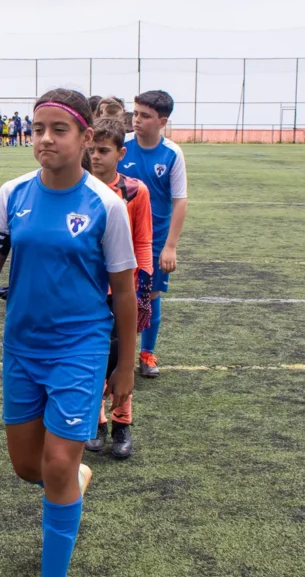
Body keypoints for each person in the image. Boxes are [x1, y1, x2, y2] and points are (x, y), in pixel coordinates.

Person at [0, 89, 137, 577]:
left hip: (81, 347)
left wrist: (123, 368)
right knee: (26, 466)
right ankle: (70, 481)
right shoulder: (13, 194)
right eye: (38, 129)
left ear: (85, 139)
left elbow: (123, 292)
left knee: (56, 464)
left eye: (59, 129)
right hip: (22, 347)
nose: (45, 139)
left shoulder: (106, 205)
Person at [84, 117, 154, 459]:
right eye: (92, 149)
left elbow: (142, 240)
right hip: (86, 290)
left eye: (104, 150)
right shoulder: (77, 189)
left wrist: (144, 284)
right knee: (93, 356)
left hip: (122, 291)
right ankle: (95, 422)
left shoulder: (134, 191)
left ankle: (122, 423)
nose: (96, 156)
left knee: (121, 357)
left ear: (120, 153)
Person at [122, 90, 187, 378]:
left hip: (154, 239)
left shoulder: (172, 153)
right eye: (135, 113)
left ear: (162, 122)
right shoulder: (120, 145)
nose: (136, 120)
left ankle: (146, 353)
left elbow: (180, 200)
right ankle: (113, 351)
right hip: (118, 234)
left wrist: (170, 246)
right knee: (110, 292)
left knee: (151, 295)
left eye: (144, 116)